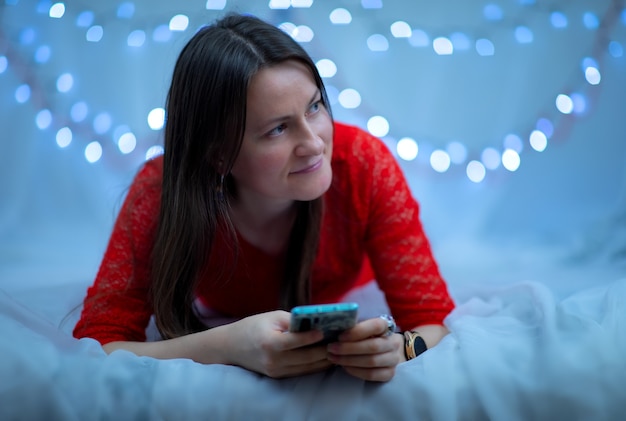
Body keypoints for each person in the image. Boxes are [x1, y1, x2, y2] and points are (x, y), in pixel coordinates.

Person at [73, 13, 455, 383]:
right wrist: (226, 344)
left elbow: (434, 321)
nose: (313, 143)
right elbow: (95, 346)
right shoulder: (159, 192)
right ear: (219, 154)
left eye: (315, 106)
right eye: (277, 129)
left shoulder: (363, 164)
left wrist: (402, 348)